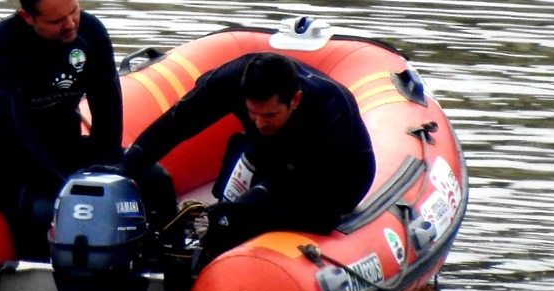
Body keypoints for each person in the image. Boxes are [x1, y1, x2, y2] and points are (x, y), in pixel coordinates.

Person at [120, 51, 376, 267]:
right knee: (241, 156)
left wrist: (244, 211)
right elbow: (177, 123)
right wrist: (125, 167)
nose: (260, 121)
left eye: (270, 114)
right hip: (272, 151)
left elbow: (304, 187)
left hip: (335, 176)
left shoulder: (329, 105)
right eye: (253, 113)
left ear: (295, 101)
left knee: (238, 217)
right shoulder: (233, 78)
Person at [0, 0, 126, 261]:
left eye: (74, 11)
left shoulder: (91, 33)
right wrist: (65, 185)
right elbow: (11, 129)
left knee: (153, 177)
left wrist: (104, 172)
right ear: (28, 17)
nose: (70, 24)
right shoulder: (0, 48)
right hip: (5, 155)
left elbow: (108, 108)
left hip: (64, 144)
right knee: (41, 208)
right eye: (57, 20)